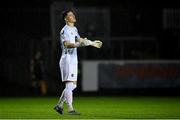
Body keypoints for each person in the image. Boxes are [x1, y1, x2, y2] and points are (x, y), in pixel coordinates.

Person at [54, 10, 102, 115]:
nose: (73, 16)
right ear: (66, 19)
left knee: (73, 86)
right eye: (70, 15)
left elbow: (79, 39)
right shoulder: (65, 30)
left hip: (73, 59)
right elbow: (67, 44)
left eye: (73, 14)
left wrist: (91, 43)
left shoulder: (74, 28)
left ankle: (59, 105)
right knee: (69, 85)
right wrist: (80, 44)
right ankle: (70, 109)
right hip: (67, 59)